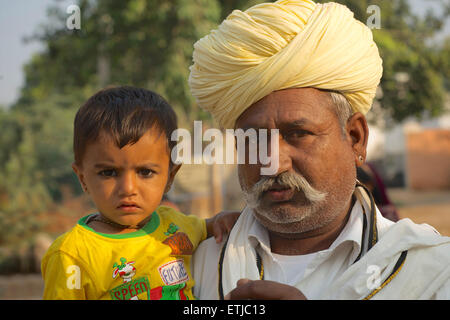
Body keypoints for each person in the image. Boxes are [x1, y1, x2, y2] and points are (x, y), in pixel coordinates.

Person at [189, 0, 450, 299]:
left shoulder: (432, 270)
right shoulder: (188, 264)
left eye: (298, 134)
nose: (273, 164)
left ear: (355, 138)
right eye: (254, 139)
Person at [41, 86, 239, 300]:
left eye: (145, 172)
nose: (128, 189)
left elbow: (209, 226)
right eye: (108, 172)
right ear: (82, 178)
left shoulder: (175, 226)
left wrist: (222, 220)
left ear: (170, 176)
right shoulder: (72, 256)